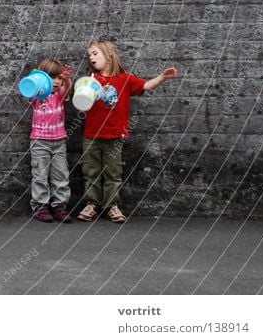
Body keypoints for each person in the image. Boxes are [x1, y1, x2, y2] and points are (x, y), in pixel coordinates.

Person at [76, 39, 178, 223]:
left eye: (95, 53)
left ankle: (111, 205)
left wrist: (162, 77)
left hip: (115, 135)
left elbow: (146, 86)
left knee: (113, 172)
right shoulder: (91, 79)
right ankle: (91, 204)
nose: (91, 57)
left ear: (109, 55)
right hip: (91, 134)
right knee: (90, 171)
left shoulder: (125, 79)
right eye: (89, 55)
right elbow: (82, 102)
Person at [28, 59, 73, 223]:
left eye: (59, 78)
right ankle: (40, 206)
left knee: (61, 176)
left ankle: (59, 206)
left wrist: (67, 79)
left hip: (59, 142)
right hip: (39, 142)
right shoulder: (38, 96)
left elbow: (67, 89)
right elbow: (28, 89)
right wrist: (36, 79)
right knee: (40, 175)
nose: (56, 82)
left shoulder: (59, 95)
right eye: (52, 78)